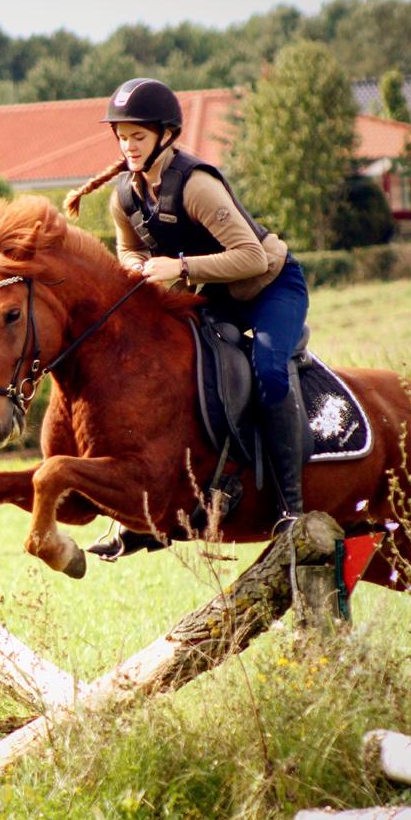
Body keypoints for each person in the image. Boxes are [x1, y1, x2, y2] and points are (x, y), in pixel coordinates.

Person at [65, 77, 310, 558]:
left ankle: (292, 509)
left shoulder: (196, 185)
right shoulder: (126, 199)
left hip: (270, 288)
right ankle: (144, 519)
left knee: (267, 372)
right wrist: (136, 270)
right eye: (122, 136)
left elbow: (252, 259)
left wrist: (180, 268)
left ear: (165, 136)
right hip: (215, 295)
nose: (128, 145)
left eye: (138, 136)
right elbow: (130, 253)